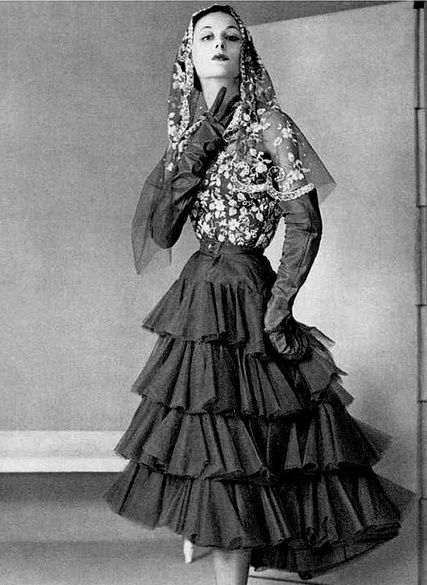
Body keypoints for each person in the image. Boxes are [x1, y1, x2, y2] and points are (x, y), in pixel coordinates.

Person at [104, 5, 415, 584]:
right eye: (206, 36)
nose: (218, 44)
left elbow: (306, 223)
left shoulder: (271, 124)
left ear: (244, 51)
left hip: (248, 298)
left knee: (248, 452)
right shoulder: (187, 133)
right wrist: (200, 141)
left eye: (231, 36)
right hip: (198, 300)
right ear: (189, 54)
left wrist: (279, 310)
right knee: (209, 444)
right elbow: (163, 231)